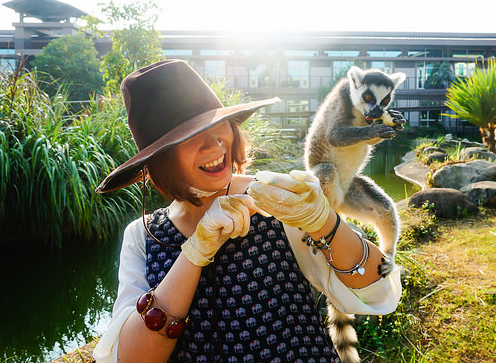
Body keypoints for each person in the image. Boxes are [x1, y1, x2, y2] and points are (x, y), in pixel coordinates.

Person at [92, 59, 401, 363]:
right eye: (188, 137)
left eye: (217, 125)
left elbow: (377, 292)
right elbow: (131, 357)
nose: (214, 145)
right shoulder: (143, 236)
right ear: (160, 159)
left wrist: (324, 223)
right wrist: (193, 253)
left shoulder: (278, 197)